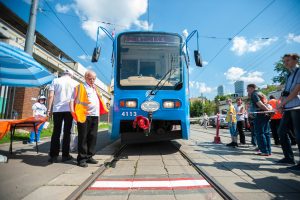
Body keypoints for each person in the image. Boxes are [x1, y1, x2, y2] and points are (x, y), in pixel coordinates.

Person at [70, 70, 108, 168]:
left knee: (93, 137)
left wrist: (98, 116)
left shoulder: (95, 88)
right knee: (83, 137)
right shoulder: (80, 87)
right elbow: (71, 101)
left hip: (94, 116)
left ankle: (89, 156)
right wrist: (72, 112)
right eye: (90, 78)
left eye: (94, 79)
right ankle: (81, 159)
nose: (92, 80)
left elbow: (98, 103)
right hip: (84, 115)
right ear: (85, 77)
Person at [47, 70, 78, 163]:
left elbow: (50, 96)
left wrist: (49, 109)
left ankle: (53, 156)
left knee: (56, 131)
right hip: (69, 110)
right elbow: (77, 98)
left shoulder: (55, 81)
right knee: (67, 132)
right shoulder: (75, 83)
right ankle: (65, 155)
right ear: (71, 75)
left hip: (57, 110)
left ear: (63, 74)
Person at [277, 53, 300, 170]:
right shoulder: (288, 75)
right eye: (284, 61)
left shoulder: (299, 72)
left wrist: (282, 104)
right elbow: (286, 92)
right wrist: (281, 104)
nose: (286, 63)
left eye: (288, 61)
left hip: (297, 106)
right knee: (281, 131)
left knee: (298, 133)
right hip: (288, 107)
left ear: (295, 60)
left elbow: (295, 92)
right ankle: (289, 157)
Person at [247, 84, 272, 156]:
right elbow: (266, 103)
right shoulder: (261, 93)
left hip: (260, 115)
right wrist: (268, 112)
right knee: (266, 133)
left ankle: (264, 151)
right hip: (265, 114)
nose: (247, 91)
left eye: (248, 89)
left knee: (259, 133)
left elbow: (260, 104)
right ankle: (268, 151)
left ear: (252, 88)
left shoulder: (254, 94)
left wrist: (268, 111)